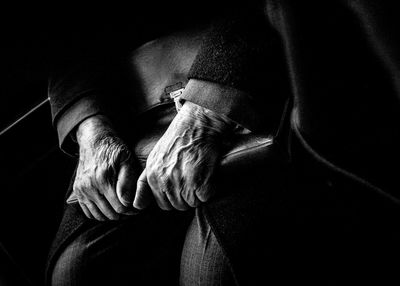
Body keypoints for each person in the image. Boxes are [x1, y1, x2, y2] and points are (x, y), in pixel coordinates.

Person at [47, 1, 400, 285]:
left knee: (214, 265)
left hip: (260, 75)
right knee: (79, 269)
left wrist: (208, 106)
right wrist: (89, 127)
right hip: (127, 114)